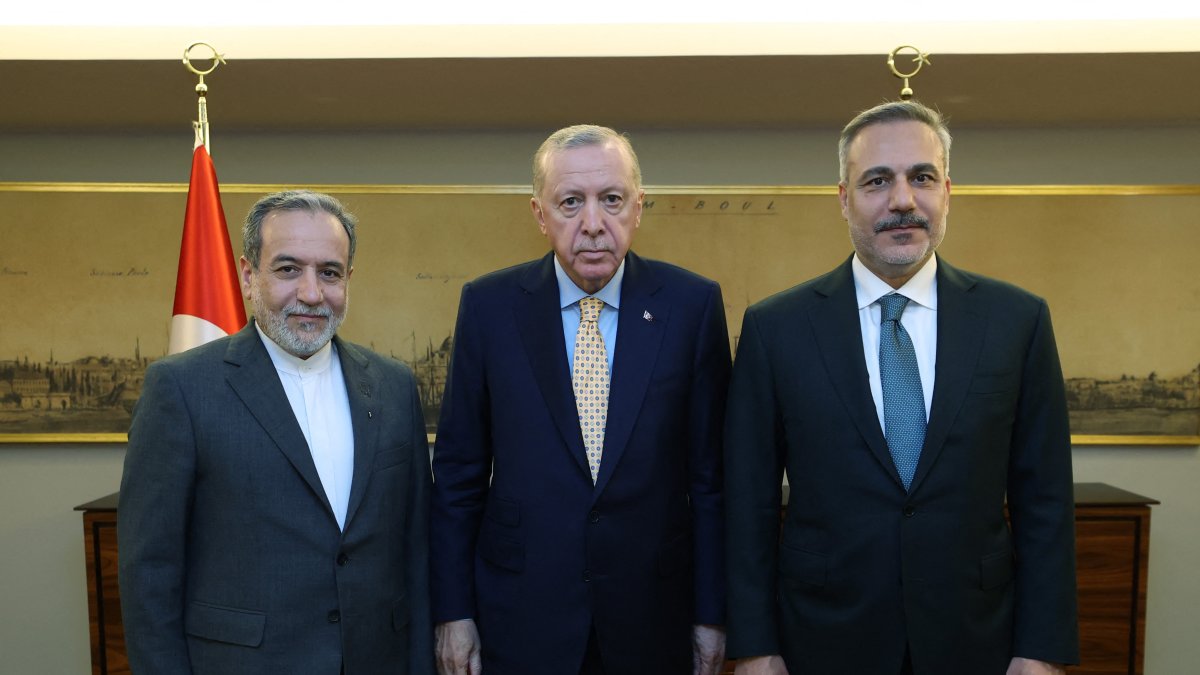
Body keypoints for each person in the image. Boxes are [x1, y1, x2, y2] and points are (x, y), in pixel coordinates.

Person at [724, 101, 1079, 675]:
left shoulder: (1017, 321)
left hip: (978, 638)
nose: (902, 200)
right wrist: (755, 647)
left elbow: (1046, 504)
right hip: (822, 638)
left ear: (947, 192)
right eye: (877, 181)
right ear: (844, 199)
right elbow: (749, 504)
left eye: (922, 177)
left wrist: (1041, 649)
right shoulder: (776, 329)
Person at [431, 124, 731, 675]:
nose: (593, 223)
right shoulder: (489, 307)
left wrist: (712, 615)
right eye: (571, 202)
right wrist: (453, 612)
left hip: (653, 617)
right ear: (540, 214)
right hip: (520, 615)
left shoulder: (692, 307)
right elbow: (458, 477)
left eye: (611, 200)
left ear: (638, 209)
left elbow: (712, 482)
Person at [118, 190, 434, 675]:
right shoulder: (181, 388)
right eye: (288, 269)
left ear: (347, 280)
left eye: (329, 272)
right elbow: (150, 574)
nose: (311, 293)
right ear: (249, 276)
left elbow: (415, 550)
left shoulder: (393, 387)